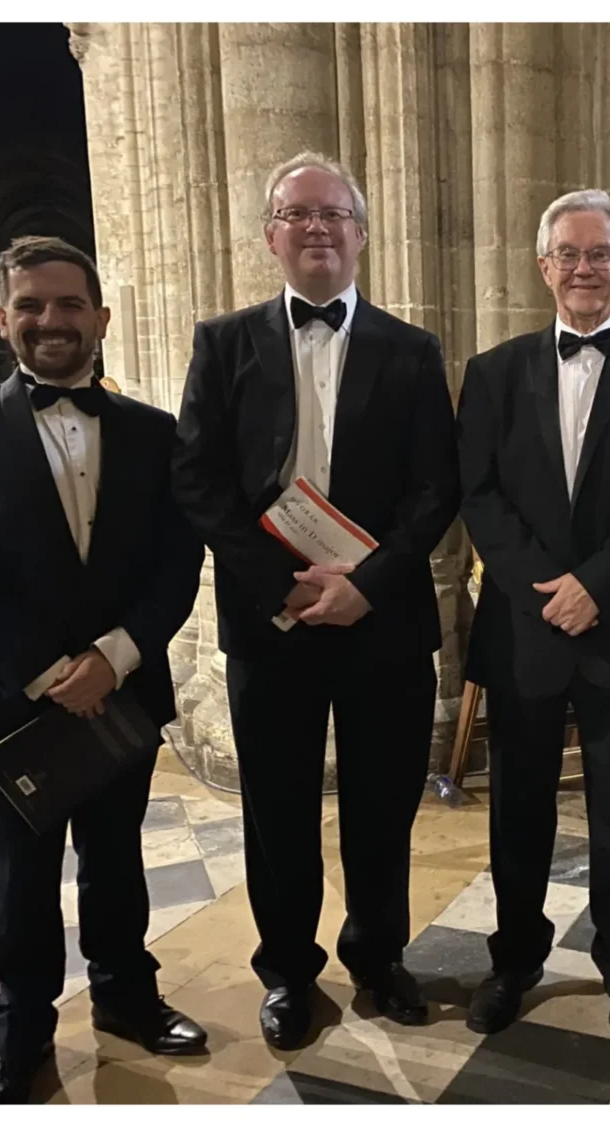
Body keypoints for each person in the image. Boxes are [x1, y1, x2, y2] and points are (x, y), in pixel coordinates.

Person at [0, 237, 209, 1104]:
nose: (51, 321)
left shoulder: (156, 434)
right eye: (31, 305)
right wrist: (48, 669)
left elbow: (176, 562)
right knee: (17, 883)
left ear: (101, 318)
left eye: (70, 304)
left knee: (117, 862)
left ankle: (126, 998)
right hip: (8, 699)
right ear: (3, 319)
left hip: (119, 695)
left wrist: (113, 659)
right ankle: (23, 1038)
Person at [171, 152, 460, 1050]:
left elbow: (436, 487)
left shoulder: (411, 350)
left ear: (362, 233)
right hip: (272, 617)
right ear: (271, 236)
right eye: (298, 214)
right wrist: (282, 583)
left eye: (335, 213)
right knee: (279, 807)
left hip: (384, 621)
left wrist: (362, 583)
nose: (318, 228)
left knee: (384, 804)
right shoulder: (224, 342)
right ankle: (289, 971)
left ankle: (379, 958)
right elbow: (198, 477)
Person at [455, 189, 610, 1044]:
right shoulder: (491, 372)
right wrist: (546, 586)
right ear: (543, 266)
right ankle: (514, 958)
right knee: (515, 805)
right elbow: (479, 496)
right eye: (569, 252)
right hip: (526, 627)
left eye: (601, 253)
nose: (585, 268)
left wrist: (596, 585)